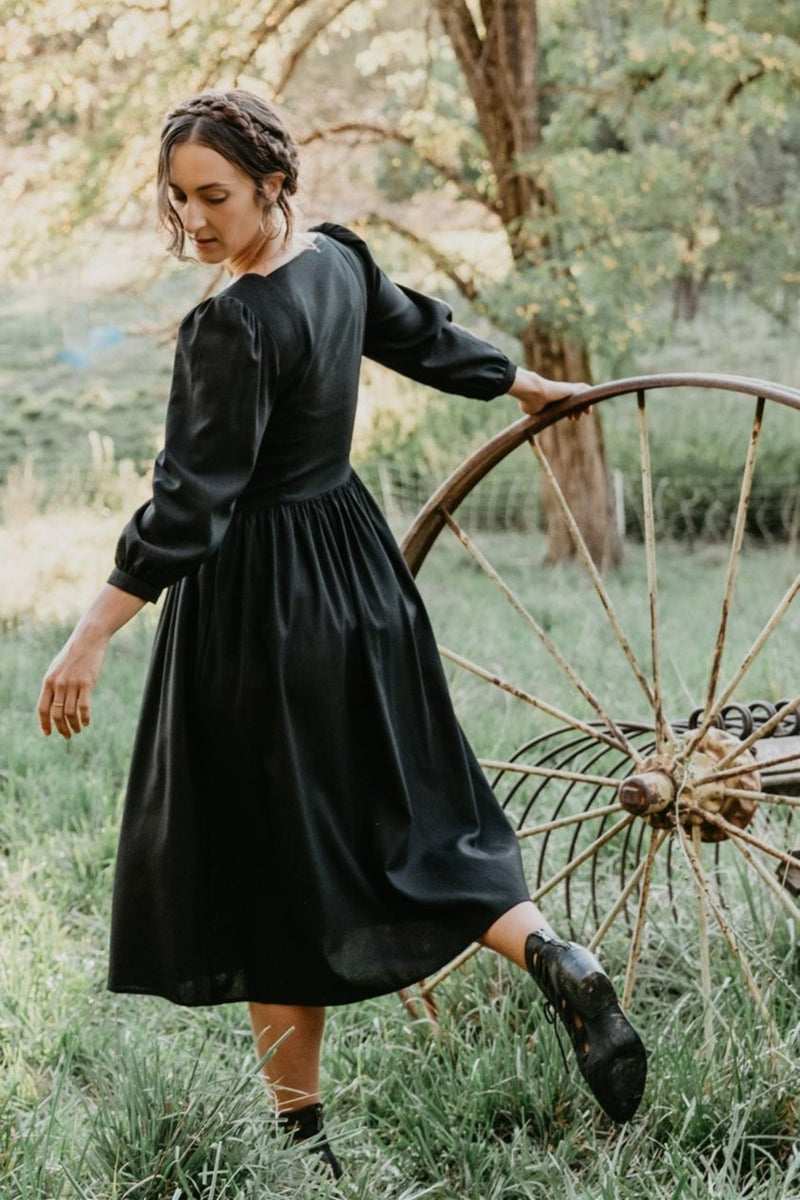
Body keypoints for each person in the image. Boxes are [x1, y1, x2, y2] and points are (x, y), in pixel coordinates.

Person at [37, 89, 646, 1178]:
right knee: (404, 808)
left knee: (274, 865)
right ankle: (549, 952)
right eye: (179, 199)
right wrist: (517, 379)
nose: (197, 220)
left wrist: (92, 629)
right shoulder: (338, 261)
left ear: (274, 181)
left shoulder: (232, 325)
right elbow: (417, 332)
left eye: (215, 195)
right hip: (359, 577)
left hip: (259, 611)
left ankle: (299, 1141)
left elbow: (191, 504)